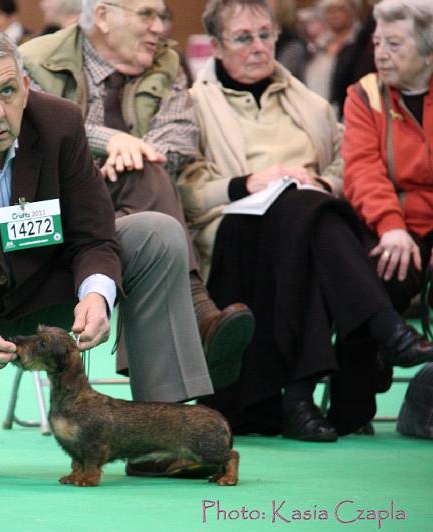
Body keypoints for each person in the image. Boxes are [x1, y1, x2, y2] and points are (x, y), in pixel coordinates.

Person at [0, 26, 216, 481]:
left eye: (8, 90)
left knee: (156, 234)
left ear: (26, 87)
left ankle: (159, 438)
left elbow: (93, 234)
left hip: (48, 291)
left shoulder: (60, 123)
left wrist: (96, 295)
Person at [176, 0, 433, 442]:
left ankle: (298, 399)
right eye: (243, 38)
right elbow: (185, 192)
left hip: (312, 234)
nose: (259, 47)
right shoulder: (192, 106)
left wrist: (313, 180)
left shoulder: (310, 102)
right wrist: (247, 183)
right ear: (217, 47)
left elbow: (344, 167)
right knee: (305, 214)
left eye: (266, 35)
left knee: (306, 215)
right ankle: (385, 330)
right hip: (236, 236)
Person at [19, 0, 255, 389]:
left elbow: (180, 136)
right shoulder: (33, 61)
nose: (160, 27)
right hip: (58, 212)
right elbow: (38, 134)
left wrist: (131, 153)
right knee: (148, 186)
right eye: (147, 14)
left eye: (162, 16)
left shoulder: (166, 64)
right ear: (103, 16)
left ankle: (176, 353)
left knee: (147, 173)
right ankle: (199, 314)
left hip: (137, 212)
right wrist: (112, 142)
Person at [342, 0, 433, 327]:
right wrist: (391, 226)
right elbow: (362, 170)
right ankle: (369, 370)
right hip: (395, 221)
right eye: (378, 42)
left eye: (394, 44)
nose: (380, 53)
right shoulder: (364, 95)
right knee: (381, 275)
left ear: (428, 53)